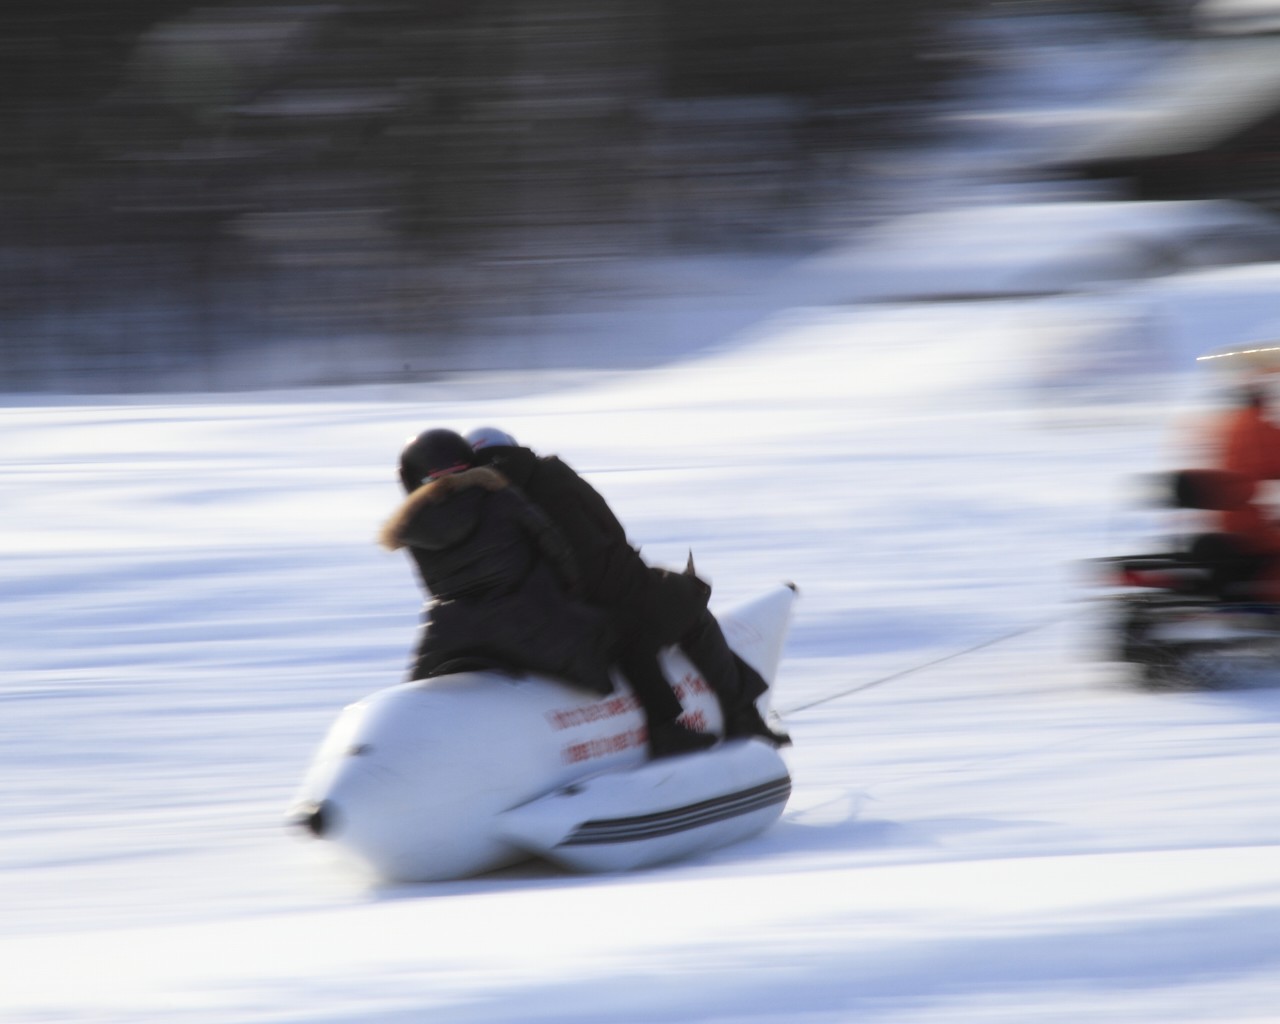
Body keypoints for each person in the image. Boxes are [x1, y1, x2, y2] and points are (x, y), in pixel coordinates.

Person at [382, 428, 714, 759]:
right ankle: (668, 731)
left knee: (415, 696)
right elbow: (559, 553)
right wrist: (571, 595)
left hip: (452, 638)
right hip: (533, 628)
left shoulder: (411, 530)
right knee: (628, 634)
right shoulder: (501, 497)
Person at [466, 426, 790, 747]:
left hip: (559, 611)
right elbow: (607, 528)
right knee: (689, 607)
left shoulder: (483, 503)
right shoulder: (550, 473)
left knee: (632, 636)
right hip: (613, 587)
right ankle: (739, 715)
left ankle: (669, 723)